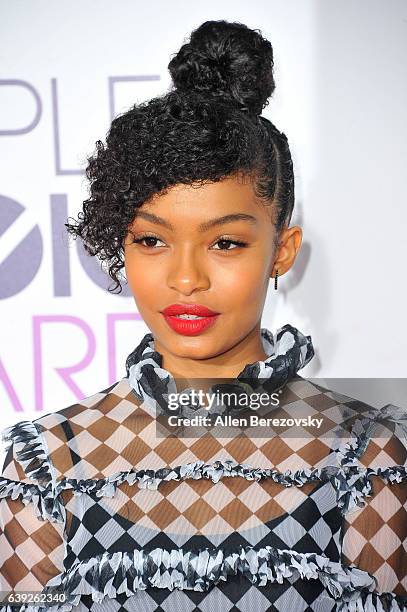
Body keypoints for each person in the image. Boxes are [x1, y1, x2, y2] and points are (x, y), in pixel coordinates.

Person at [1, 19, 406, 612]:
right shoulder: (48, 460)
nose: (185, 279)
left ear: (282, 251)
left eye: (225, 243)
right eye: (151, 241)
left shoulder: (369, 453)